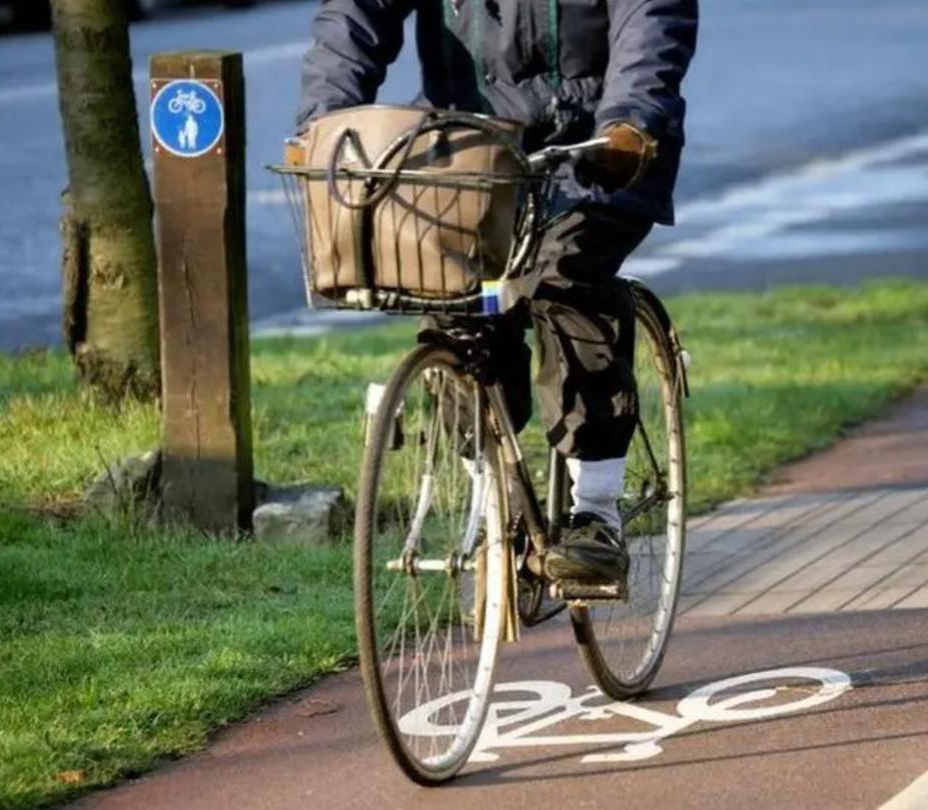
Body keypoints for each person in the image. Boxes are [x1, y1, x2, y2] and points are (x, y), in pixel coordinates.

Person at [298, 0, 698, 587]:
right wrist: (324, 123)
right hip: (468, 150)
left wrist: (630, 120)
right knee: (449, 297)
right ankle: (493, 498)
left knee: (564, 277)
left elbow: (651, 18)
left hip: (592, 146)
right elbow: (354, 18)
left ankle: (596, 509)